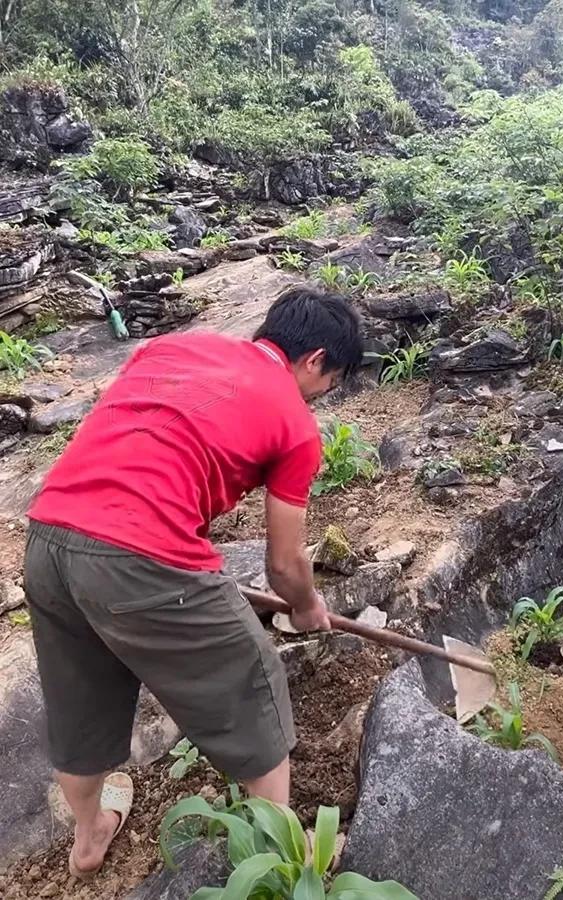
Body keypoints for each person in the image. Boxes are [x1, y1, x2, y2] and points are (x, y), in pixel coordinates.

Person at [24, 286, 363, 879]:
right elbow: (284, 565)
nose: (323, 396)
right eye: (330, 381)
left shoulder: (172, 348)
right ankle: (285, 857)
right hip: (140, 552)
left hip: (49, 537)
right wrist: (308, 608)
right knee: (253, 679)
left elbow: (147, 444)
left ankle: (89, 837)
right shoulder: (294, 422)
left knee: (78, 701)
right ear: (313, 360)